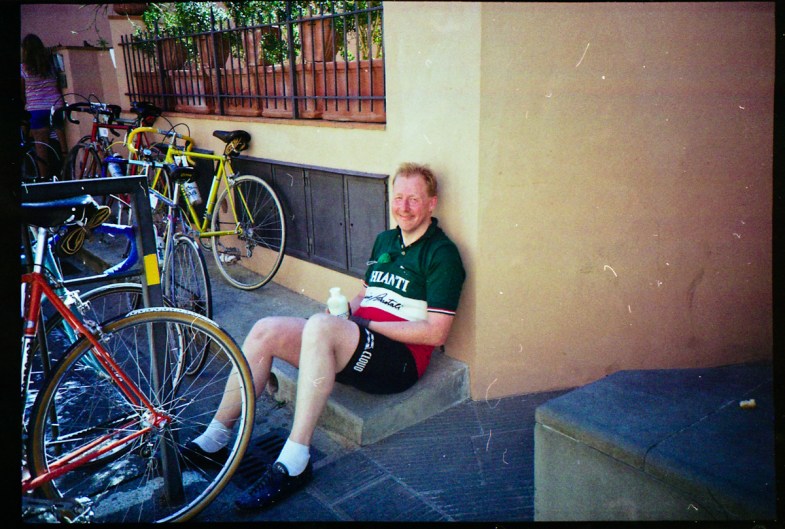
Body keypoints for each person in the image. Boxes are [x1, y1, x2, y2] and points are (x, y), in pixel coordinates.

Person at [186, 162, 466, 511]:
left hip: (399, 360)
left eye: (414, 199)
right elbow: (364, 295)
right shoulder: (386, 240)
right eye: (398, 198)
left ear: (431, 203)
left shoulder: (442, 254)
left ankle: (295, 460)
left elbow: (436, 332)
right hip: (358, 341)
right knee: (265, 330)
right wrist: (344, 313)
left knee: (320, 326)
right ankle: (215, 438)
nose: (404, 207)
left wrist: (363, 325)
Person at [21, 33, 67, 178]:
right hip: (56, 108)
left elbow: (22, 94)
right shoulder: (51, 65)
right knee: (64, 149)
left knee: (41, 151)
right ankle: (67, 174)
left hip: (37, 111)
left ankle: (44, 180)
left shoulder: (23, 69)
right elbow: (58, 85)